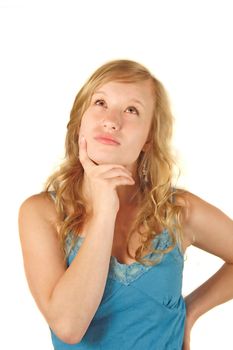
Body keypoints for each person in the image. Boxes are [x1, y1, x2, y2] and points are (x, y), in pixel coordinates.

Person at [18, 59, 233, 350]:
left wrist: (191, 311)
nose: (111, 120)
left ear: (148, 138)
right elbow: (69, 327)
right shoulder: (41, 213)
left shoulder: (178, 211)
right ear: (81, 119)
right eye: (100, 102)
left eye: (132, 110)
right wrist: (106, 209)